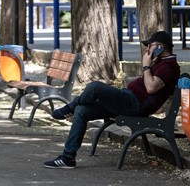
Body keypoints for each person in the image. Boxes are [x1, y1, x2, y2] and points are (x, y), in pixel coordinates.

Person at [44, 30, 181, 169]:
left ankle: (69, 108)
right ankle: (68, 158)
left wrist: (146, 66)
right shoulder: (160, 63)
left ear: (159, 47)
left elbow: (151, 88)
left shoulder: (169, 67)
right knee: (82, 110)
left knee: (95, 87)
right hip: (128, 100)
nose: (147, 49)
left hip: (135, 104)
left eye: (149, 46)